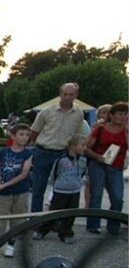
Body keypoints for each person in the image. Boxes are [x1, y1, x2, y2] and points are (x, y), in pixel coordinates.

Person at [28, 83, 86, 213]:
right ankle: (35, 217)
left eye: (71, 94)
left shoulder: (78, 113)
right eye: (65, 94)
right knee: (38, 188)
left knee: (61, 189)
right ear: (60, 94)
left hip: (63, 153)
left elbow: (77, 135)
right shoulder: (47, 111)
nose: (67, 97)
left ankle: (55, 217)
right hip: (44, 151)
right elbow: (34, 131)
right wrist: (38, 145)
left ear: (76, 95)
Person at [0, 124, 34, 257]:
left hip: (21, 191)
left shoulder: (28, 154)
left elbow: (24, 174)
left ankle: (11, 244)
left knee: (17, 217)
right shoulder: (3, 152)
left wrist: (5, 185)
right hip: (4, 192)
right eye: (21, 134)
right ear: (13, 136)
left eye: (27, 135)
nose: (25, 138)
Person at [32, 134, 88, 243]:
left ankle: (66, 233)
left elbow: (82, 172)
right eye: (82, 145)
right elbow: (55, 173)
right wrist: (58, 185)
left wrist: (77, 183)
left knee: (71, 214)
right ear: (73, 146)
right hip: (61, 190)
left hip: (75, 191)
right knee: (54, 212)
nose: (85, 148)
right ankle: (42, 230)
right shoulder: (61, 160)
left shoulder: (83, 160)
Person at [84, 101, 127, 235]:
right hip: (98, 164)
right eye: (120, 114)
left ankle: (113, 226)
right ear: (112, 115)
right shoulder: (101, 129)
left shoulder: (125, 130)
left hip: (116, 166)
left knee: (117, 198)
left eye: (125, 114)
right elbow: (87, 148)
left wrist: (127, 131)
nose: (123, 117)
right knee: (96, 195)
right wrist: (97, 156)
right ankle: (93, 225)